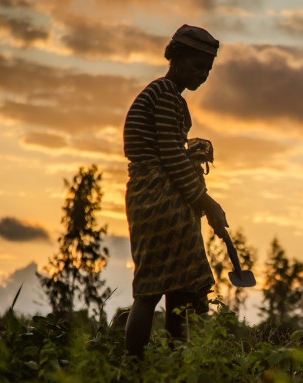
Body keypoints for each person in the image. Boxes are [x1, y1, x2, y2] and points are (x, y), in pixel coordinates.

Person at [122, 24, 228, 357]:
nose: (204, 75)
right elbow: (170, 155)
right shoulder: (166, 95)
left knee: (166, 290)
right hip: (160, 200)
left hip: (151, 199)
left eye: (209, 69)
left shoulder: (160, 95)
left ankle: (154, 371)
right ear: (178, 59)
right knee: (154, 292)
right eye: (199, 66)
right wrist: (207, 202)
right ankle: (146, 369)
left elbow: (169, 151)